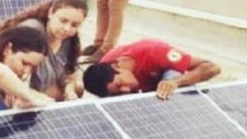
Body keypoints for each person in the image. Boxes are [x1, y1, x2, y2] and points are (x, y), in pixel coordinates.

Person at [0, 0, 87, 100]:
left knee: (78, 88)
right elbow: (12, 79)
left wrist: (69, 90)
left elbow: (70, 74)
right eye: (63, 20)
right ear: (51, 13)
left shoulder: (69, 39)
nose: (67, 28)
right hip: (20, 88)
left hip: (48, 86)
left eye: (74, 25)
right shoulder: (32, 31)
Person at [82, 38, 220, 100]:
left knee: (171, 74)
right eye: (119, 90)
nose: (126, 90)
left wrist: (175, 82)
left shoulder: (154, 52)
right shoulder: (101, 71)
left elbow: (212, 68)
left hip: (165, 83)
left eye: (120, 84)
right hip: (146, 91)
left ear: (117, 67)